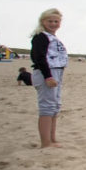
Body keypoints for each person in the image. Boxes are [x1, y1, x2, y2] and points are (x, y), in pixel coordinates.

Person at [30, 8, 67, 147]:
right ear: (43, 21)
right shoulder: (40, 37)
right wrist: (48, 76)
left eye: (56, 21)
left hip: (57, 72)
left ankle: (52, 138)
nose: (53, 23)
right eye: (50, 21)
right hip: (47, 73)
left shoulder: (52, 37)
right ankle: (45, 142)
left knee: (55, 106)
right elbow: (39, 57)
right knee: (47, 107)